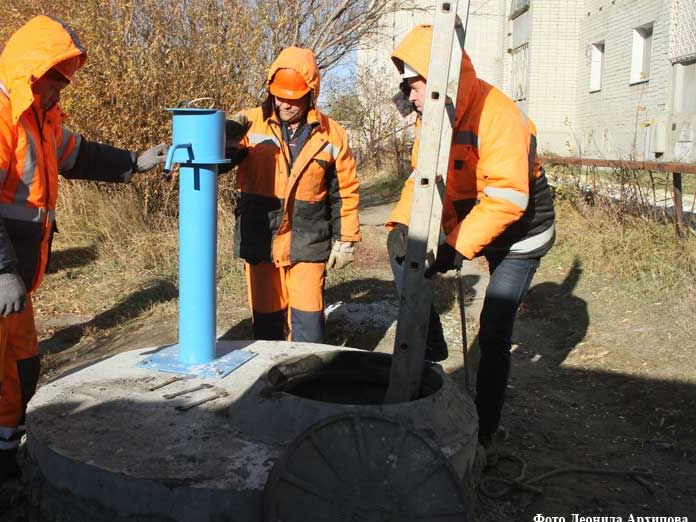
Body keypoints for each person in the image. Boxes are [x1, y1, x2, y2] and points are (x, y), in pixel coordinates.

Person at [0, 15, 168, 522]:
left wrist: (134, 163)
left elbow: (75, 154)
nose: (64, 85)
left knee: (23, 366)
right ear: (31, 71)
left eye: (66, 75)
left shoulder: (38, 113)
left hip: (10, 271)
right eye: (57, 75)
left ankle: (8, 452)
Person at [386, 25, 556, 447]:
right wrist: (402, 226)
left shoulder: (497, 114)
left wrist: (455, 247)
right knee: (403, 253)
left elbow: (507, 199)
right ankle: (432, 346)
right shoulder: (433, 118)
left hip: (520, 233)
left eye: (413, 84)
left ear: (440, 79)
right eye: (406, 86)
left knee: (494, 326)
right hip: (472, 219)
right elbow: (422, 179)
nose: (409, 96)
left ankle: (485, 430)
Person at [224, 47, 360, 343]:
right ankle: (268, 385)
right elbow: (219, 162)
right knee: (266, 325)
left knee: (308, 325)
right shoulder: (249, 124)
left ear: (311, 93)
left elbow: (345, 191)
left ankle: (305, 384)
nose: (284, 104)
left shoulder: (332, 134)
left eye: (292, 97)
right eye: (278, 95)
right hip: (260, 238)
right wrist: (224, 136)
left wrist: (346, 239)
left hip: (308, 239)